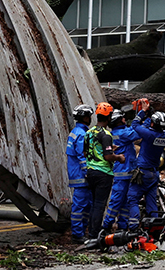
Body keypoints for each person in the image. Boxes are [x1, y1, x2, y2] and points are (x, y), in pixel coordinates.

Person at [126, 99, 165, 230]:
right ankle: (153, 228)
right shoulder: (164, 136)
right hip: (154, 173)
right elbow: (147, 127)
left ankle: (133, 227)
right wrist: (151, 114)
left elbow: (135, 125)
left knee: (132, 199)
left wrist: (142, 112)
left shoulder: (149, 134)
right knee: (151, 201)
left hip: (143, 172)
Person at [85, 102, 125, 239]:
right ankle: (94, 235)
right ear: (108, 117)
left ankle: (90, 232)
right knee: (99, 205)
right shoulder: (106, 134)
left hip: (90, 171)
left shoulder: (89, 133)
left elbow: (86, 152)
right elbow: (108, 157)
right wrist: (118, 157)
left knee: (93, 203)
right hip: (103, 173)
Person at [101, 109, 139, 232]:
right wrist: (142, 116)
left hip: (124, 173)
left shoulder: (117, 133)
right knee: (117, 201)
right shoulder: (123, 134)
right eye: (123, 118)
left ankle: (122, 226)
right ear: (118, 121)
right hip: (122, 174)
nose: (125, 120)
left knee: (125, 201)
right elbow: (138, 132)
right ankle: (107, 225)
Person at [66, 104, 93, 243]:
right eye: (89, 116)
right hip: (81, 176)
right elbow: (83, 155)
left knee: (86, 204)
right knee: (80, 206)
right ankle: (77, 234)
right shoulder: (82, 134)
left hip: (77, 174)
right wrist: (87, 172)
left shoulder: (75, 131)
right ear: (85, 117)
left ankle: (81, 232)